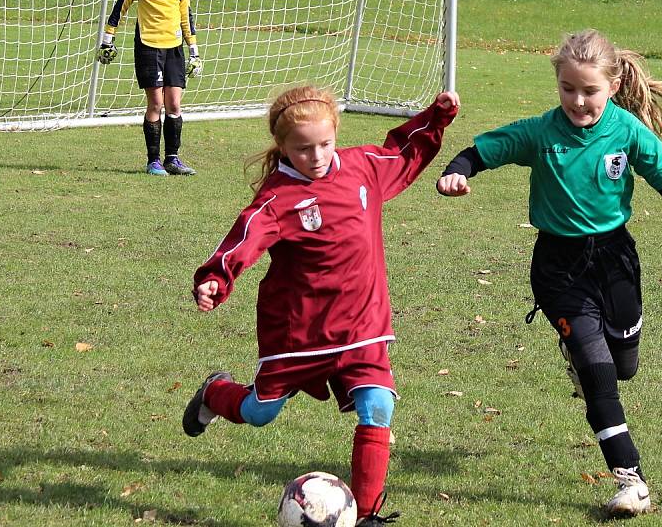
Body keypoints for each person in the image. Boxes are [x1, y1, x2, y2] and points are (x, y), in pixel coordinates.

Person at [436, 29, 662, 517]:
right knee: (599, 374)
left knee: (623, 366)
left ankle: (588, 360)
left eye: (589, 90)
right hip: (558, 267)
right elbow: (481, 151)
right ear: (558, 84)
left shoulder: (628, 131)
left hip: (615, 261)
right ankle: (630, 478)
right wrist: (457, 172)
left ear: (612, 86)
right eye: (568, 89)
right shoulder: (539, 132)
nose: (578, 100)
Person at [184, 85, 460, 525]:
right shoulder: (278, 199)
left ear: (336, 135)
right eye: (303, 149)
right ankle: (216, 393)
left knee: (378, 407)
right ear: (283, 148)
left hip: (362, 325)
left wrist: (437, 116)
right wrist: (216, 278)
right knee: (260, 412)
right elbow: (244, 239)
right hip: (301, 331)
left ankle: (367, 514)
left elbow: (403, 152)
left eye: (325, 144)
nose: (317, 156)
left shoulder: (362, 167)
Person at [97, 0, 201, 176]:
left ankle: (172, 160)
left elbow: (187, 18)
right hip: (148, 47)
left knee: (174, 104)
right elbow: (119, 8)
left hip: (174, 48)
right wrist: (107, 40)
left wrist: (194, 50)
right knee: (156, 103)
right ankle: (153, 161)